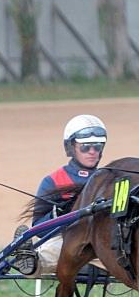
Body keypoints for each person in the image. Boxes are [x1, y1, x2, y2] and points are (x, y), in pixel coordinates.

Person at [12, 114, 107, 276]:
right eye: (85, 147)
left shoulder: (107, 179)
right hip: (67, 240)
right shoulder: (53, 181)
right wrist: (57, 214)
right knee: (51, 252)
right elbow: (38, 229)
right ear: (71, 147)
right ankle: (30, 260)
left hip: (102, 242)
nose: (92, 152)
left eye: (97, 146)